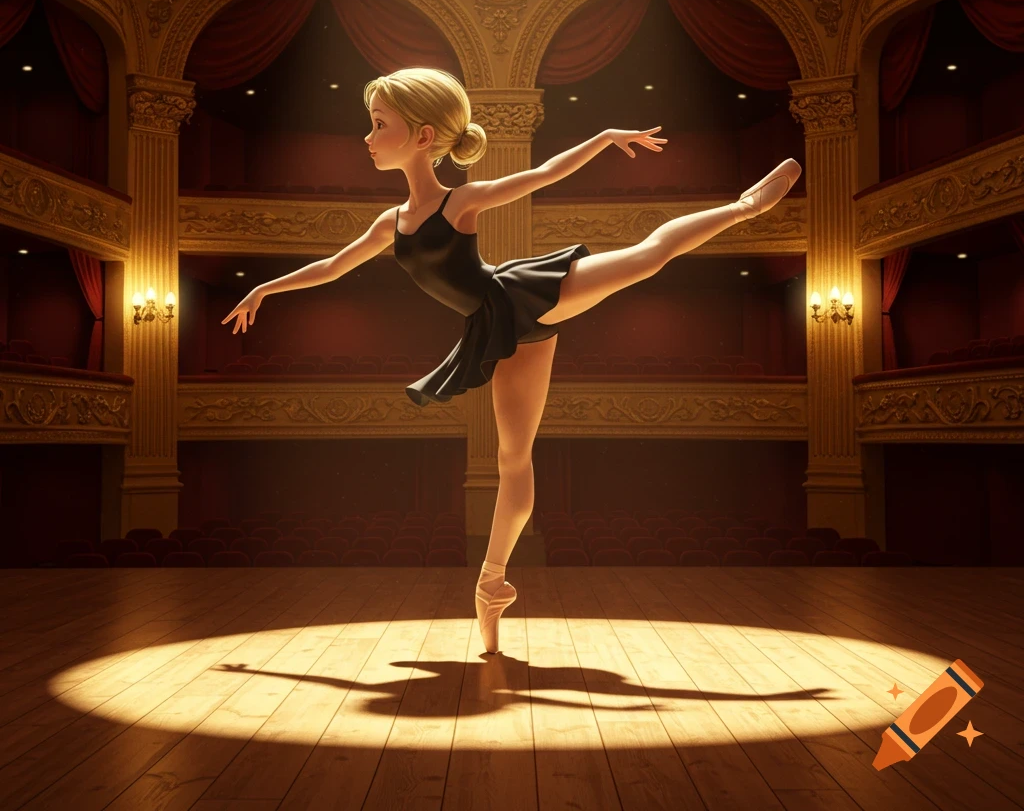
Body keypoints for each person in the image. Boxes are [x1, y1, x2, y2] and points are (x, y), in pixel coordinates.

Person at [222, 67, 802, 654]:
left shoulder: (460, 201)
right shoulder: (388, 224)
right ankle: (492, 583)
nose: (367, 138)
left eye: (378, 125)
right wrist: (265, 288)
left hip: (522, 296)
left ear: (423, 137)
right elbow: (331, 267)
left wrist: (603, 137)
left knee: (647, 257)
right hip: (498, 329)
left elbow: (543, 175)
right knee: (512, 457)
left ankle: (743, 207)